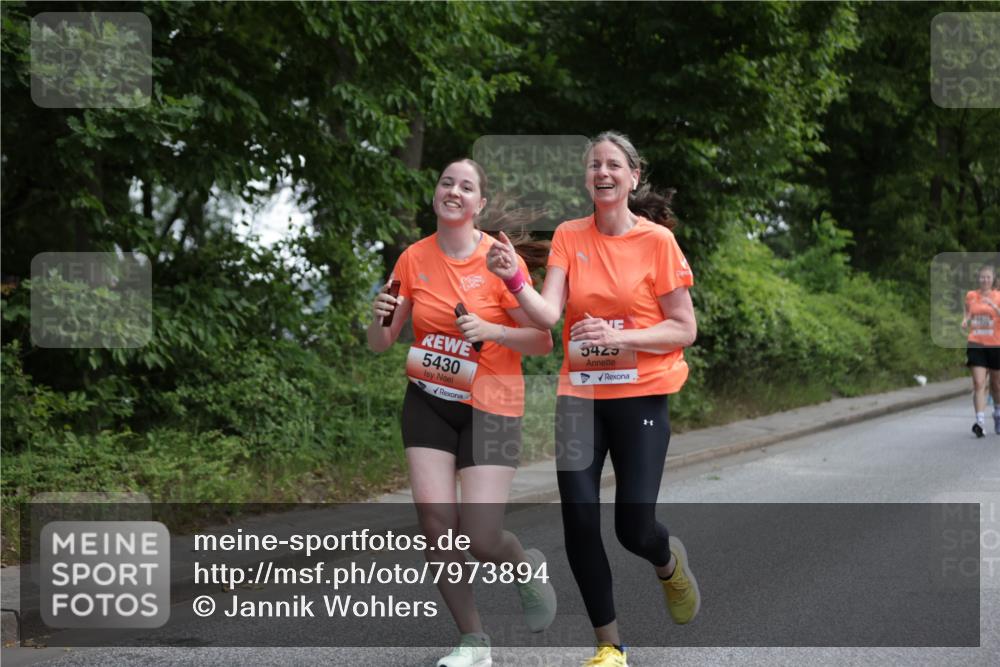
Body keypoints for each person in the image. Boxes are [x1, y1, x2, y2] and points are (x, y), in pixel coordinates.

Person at [487, 131, 700, 667]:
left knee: (633, 528)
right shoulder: (568, 236)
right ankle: (610, 646)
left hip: (642, 396)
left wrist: (621, 338)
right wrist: (515, 277)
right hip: (579, 395)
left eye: (613, 165)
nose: (602, 173)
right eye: (593, 166)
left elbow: (684, 328)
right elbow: (549, 315)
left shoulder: (657, 242)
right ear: (587, 179)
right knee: (579, 520)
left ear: (632, 176)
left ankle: (667, 561)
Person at [367, 158, 556, 667]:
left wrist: (492, 332)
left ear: (481, 204)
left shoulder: (497, 259)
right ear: (436, 193)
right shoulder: (412, 258)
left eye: (466, 186)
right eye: (447, 182)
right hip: (429, 398)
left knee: (480, 536)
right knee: (434, 520)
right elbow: (381, 343)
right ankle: (474, 640)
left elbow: (542, 340)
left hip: (492, 403)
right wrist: (378, 318)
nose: (454, 191)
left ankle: (522, 566)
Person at [961, 263, 1000, 437]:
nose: (985, 280)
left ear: (993, 279)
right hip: (976, 343)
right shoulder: (971, 295)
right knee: (978, 383)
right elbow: (968, 312)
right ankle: (980, 422)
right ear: (979, 278)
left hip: (996, 344)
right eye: (982, 277)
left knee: (997, 386)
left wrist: (994, 307)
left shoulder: (998, 296)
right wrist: (965, 320)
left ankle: (998, 414)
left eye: (988, 277)